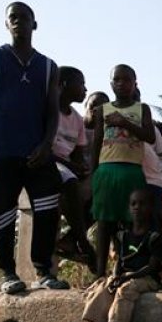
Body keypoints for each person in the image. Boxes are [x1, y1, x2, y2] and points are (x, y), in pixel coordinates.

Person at [0, 1, 68, 293]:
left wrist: (46, 144)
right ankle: (7, 274)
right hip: (3, 150)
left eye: (23, 17)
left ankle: (44, 271)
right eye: (12, 17)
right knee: (2, 214)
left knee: (46, 210)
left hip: (37, 152)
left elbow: (52, 111)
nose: (18, 21)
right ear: (6, 24)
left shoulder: (48, 66)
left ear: (34, 23)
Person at [83, 188, 162, 322]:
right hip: (124, 276)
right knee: (103, 288)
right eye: (133, 204)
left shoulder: (155, 237)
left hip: (145, 279)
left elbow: (153, 267)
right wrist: (114, 277)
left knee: (125, 291)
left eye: (142, 204)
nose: (137, 208)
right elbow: (120, 261)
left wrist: (127, 278)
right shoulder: (123, 235)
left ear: (151, 208)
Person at [89, 64, 155, 278]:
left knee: (133, 222)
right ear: (111, 84)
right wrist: (93, 174)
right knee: (104, 223)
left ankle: (129, 269)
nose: (122, 84)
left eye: (127, 79)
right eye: (117, 80)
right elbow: (96, 143)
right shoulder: (102, 110)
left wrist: (123, 122)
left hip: (132, 171)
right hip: (107, 170)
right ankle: (100, 273)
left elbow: (150, 136)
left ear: (135, 83)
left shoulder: (142, 108)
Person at [52, 66, 96, 272]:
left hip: (66, 166)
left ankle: (71, 240)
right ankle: (83, 242)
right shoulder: (48, 110)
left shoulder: (76, 119)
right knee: (69, 183)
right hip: (46, 163)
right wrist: (72, 167)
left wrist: (82, 168)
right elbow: (41, 148)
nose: (85, 89)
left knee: (101, 195)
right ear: (64, 85)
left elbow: (77, 154)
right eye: (81, 84)